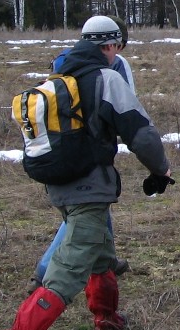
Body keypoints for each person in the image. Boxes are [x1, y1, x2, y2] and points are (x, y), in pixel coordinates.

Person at [0, 15, 174, 330]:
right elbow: (141, 134)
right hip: (88, 190)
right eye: (117, 46)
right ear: (112, 45)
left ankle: (108, 320)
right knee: (65, 274)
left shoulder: (59, 76)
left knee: (100, 254)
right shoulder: (106, 78)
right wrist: (160, 170)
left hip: (61, 187)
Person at [31, 16, 134, 289]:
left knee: (92, 207)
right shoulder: (117, 65)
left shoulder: (66, 61)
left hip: (61, 145)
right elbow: (127, 106)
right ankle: (44, 272)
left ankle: (106, 261)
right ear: (116, 43)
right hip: (92, 148)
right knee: (87, 208)